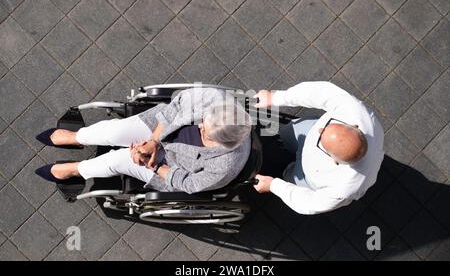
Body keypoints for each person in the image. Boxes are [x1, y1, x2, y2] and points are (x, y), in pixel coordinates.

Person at [36, 87, 252, 194]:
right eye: (204, 120)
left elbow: (189, 183)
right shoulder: (215, 99)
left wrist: (155, 164)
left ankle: (77, 170)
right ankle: (78, 137)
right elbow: (175, 106)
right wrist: (153, 140)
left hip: (170, 167)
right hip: (160, 126)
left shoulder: (225, 164)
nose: (201, 125)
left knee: (119, 161)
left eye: (205, 132)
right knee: (114, 131)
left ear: (224, 144)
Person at [253, 81, 384, 215]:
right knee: (288, 132)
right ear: (355, 126)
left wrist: (274, 186)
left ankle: (288, 172)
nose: (320, 129)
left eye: (322, 140)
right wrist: (275, 98)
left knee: (290, 178)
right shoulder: (356, 112)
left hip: (309, 176)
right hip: (306, 133)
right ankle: (287, 147)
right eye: (327, 128)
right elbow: (319, 92)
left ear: (335, 161)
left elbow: (309, 203)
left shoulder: (345, 189)